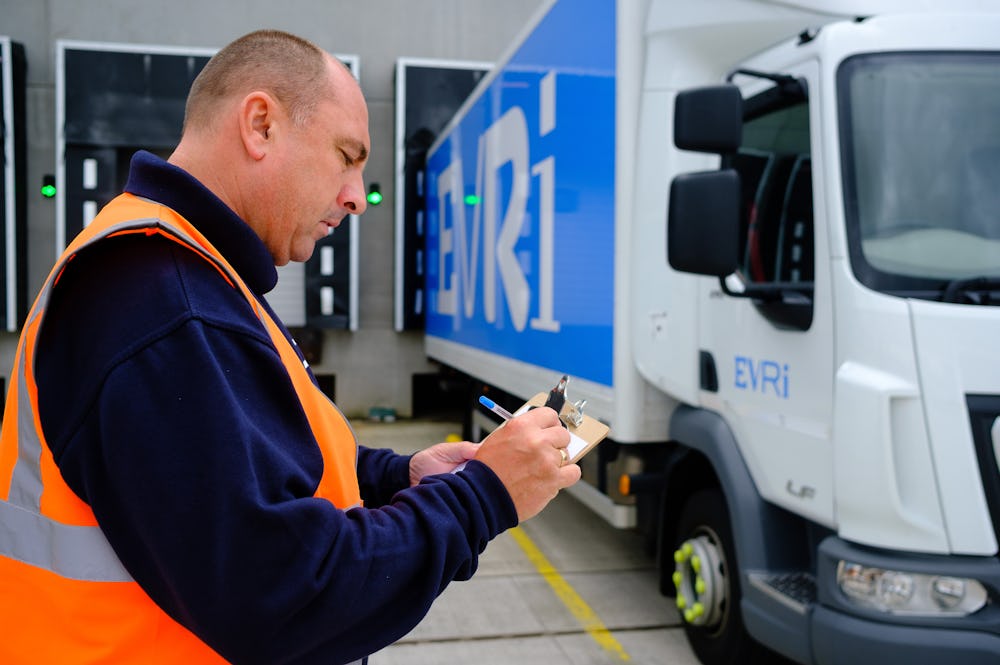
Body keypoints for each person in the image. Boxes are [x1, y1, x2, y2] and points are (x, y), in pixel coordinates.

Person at [0, 29, 580, 665]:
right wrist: (483, 496)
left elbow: (257, 460)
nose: (359, 196)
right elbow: (286, 594)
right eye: (347, 155)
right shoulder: (162, 301)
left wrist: (393, 477)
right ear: (260, 125)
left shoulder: (196, 277)